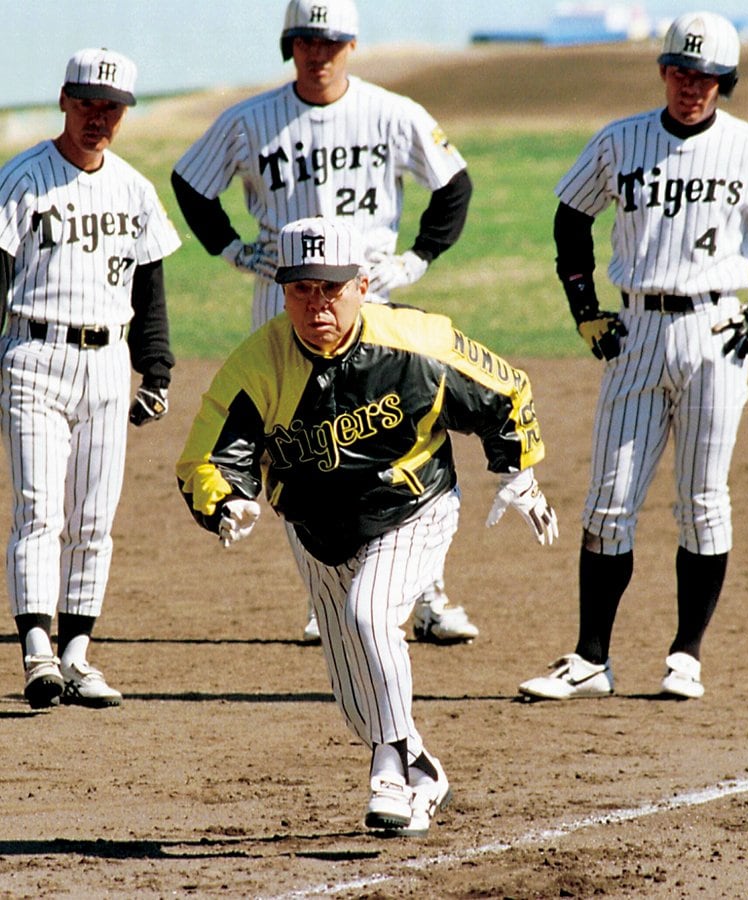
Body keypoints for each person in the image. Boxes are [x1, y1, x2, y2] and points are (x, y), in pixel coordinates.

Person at [176, 216, 558, 834]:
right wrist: (224, 501)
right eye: (301, 288)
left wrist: (516, 470)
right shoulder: (258, 364)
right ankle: (420, 768)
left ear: (363, 283)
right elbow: (208, 458)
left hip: (415, 507)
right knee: (359, 700)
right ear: (282, 290)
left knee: (370, 613)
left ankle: (387, 767)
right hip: (315, 533)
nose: (316, 303)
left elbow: (506, 391)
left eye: (331, 288)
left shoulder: (417, 343)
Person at [170, 0, 477, 645]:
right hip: (285, 300)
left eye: (330, 40)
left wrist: (418, 259)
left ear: (352, 44)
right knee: (294, 447)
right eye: (305, 39)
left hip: (370, 299)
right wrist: (230, 248)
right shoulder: (251, 120)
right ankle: (325, 592)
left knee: (401, 438)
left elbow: (453, 183)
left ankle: (427, 596)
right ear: (289, 44)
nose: (318, 51)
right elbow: (191, 180)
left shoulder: (393, 113)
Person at [518, 11, 748, 703]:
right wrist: (584, 310)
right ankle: (589, 658)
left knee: (702, 498)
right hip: (634, 331)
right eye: (681, 72)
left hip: (715, 331)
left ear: (725, 82)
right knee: (607, 500)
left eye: (707, 76)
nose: (692, 87)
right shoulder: (619, 140)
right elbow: (571, 215)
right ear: (663, 71)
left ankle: (685, 654)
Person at [0, 48, 180, 710]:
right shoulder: (21, 180)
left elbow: (150, 288)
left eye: (110, 107)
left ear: (123, 112)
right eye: (86, 103)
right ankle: (37, 652)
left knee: (94, 519)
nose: (97, 117)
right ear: (64, 100)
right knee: (40, 511)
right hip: (32, 355)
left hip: (107, 363)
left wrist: (155, 370)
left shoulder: (134, 189)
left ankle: (77, 655)